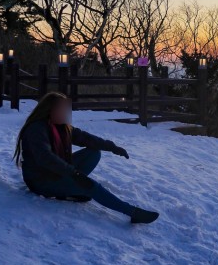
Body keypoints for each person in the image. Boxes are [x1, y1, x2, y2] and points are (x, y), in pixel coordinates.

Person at [13, 92, 160, 224]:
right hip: (41, 180)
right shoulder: (37, 129)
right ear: (50, 110)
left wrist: (112, 147)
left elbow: (86, 138)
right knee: (90, 186)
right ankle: (132, 213)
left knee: (94, 152)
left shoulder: (61, 127)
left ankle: (73, 189)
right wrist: (74, 174)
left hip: (56, 171)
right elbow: (45, 158)